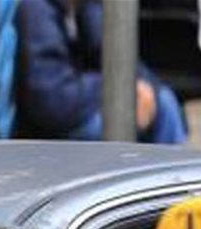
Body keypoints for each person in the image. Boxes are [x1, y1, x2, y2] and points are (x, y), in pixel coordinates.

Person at [16, 0, 188, 144]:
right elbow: (51, 99)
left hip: (82, 104)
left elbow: (118, 57)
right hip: (53, 129)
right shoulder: (37, 10)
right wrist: (117, 87)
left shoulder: (82, 7)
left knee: (162, 99)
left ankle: (175, 166)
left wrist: (146, 89)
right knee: (147, 113)